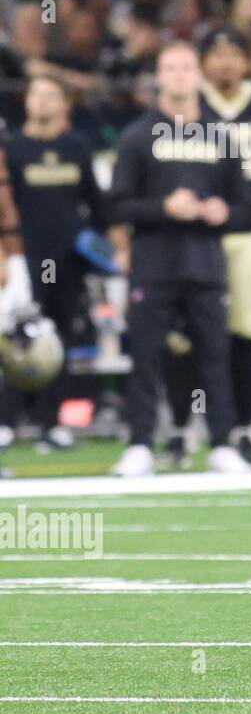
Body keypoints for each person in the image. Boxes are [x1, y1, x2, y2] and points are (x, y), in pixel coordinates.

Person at [108, 41, 251, 476]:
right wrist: (163, 207)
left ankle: (222, 441)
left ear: (199, 75)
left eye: (186, 68)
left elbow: (249, 207)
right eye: (170, 68)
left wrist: (223, 211)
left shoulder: (221, 136)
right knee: (145, 356)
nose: (178, 76)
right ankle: (139, 443)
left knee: (215, 355)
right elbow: (117, 206)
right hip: (153, 265)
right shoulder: (138, 136)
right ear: (159, 75)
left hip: (206, 266)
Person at [164, 27, 251, 466]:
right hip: (194, 235)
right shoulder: (190, 103)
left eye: (233, 54)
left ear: (248, 62)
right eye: (216, 55)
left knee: (248, 330)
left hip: (250, 232)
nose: (224, 63)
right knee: (188, 334)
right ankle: (184, 426)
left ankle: (247, 424)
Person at [0, 75, 119, 451]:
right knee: (12, 340)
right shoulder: (13, 148)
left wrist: (111, 244)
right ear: (28, 101)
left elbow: (98, 205)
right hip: (24, 260)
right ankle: (7, 421)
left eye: (52, 96)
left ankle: (53, 424)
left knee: (60, 341)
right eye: (38, 95)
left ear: (64, 104)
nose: (44, 102)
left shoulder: (76, 148)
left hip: (69, 262)